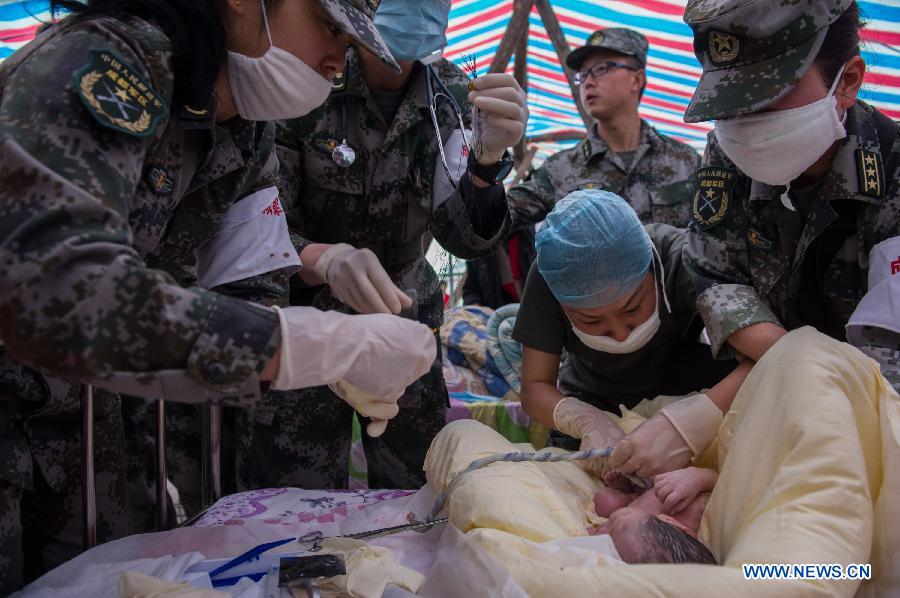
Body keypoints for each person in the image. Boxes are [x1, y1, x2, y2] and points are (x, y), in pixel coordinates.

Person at [0, 0, 438, 591]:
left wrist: (326, 354)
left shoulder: (244, 133)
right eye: (330, 27)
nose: (341, 57)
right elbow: (56, 288)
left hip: (92, 427)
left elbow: (248, 286)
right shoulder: (112, 58)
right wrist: (301, 344)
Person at [237, 0, 528, 490]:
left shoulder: (456, 98)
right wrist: (321, 261)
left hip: (405, 324)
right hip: (307, 320)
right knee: (294, 497)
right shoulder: (310, 73)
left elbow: (465, 239)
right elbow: (258, 220)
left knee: (414, 489)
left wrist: (487, 164)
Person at [610, 0, 900, 480]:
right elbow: (713, 273)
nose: (746, 125)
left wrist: (723, 409)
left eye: (767, 98)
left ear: (847, 81)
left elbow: (881, 372)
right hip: (765, 386)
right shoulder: (727, 153)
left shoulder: (890, 174)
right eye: (730, 105)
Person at [513, 190, 751, 476]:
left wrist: (698, 419)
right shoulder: (549, 278)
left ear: (653, 267)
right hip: (594, 400)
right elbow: (535, 387)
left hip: (684, 386)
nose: (620, 333)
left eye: (632, 308)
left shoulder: (686, 259)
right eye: (591, 320)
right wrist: (586, 421)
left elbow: (765, 356)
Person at [506, 27, 700, 228]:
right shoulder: (560, 169)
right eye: (583, 74)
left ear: (637, 79)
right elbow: (486, 229)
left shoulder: (686, 162)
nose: (588, 82)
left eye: (601, 68)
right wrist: (488, 161)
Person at [591, 466, 718, 565]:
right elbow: (721, 483)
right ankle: (629, 485)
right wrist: (697, 478)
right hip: (656, 484)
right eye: (612, 527)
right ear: (671, 522)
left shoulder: (647, 548)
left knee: (605, 500)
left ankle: (624, 488)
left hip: (630, 501)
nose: (596, 530)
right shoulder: (697, 515)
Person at [462, 225, 536, 310]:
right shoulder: (478, 248)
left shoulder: (534, 237)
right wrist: (475, 307)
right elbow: (471, 290)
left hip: (534, 314)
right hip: (499, 316)